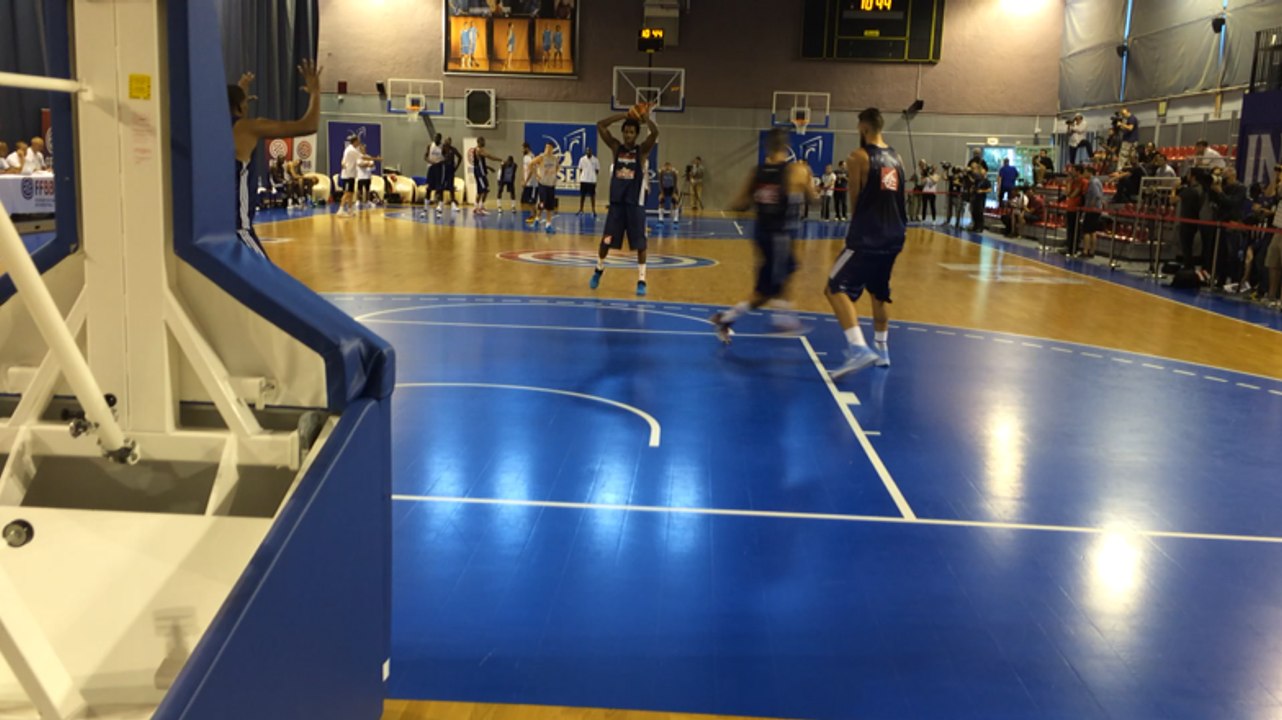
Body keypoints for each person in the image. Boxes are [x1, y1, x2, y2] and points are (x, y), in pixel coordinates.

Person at [710, 128, 818, 343]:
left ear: (768, 146)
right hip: (779, 234)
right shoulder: (796, 171)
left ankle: (725, 319)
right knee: (786, 270)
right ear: (787, 146)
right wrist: (810, 181)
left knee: (762, 293)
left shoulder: (756, 172)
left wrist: (752, 201)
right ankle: (783, 318)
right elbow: (814, 201)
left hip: (761, 234)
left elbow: (739, 203)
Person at [824, 108, 907, 378]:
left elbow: (855, 200)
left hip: (868, 234)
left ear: (864, 127)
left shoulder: (858, 157)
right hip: (895, 235)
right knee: (878, 291)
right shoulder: (897, 158)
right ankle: (882, 350)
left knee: (834, 287)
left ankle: (858, 348)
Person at [228, 61, 322, 256]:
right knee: (266, 281)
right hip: (238, 228)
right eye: (245, 104)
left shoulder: (209, 127)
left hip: (212, 227)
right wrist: (315, 92)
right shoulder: (248, 128)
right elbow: (309, 125)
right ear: (241, 106)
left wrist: (240, 90)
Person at [590, 106, 659, 296]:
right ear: (623, 132)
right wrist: (624, 115)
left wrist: (645, 118)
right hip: (617, 205)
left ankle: (642, 280)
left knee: (640, 244)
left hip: (634, 205)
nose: (628, 135)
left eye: (631, 132)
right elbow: (600, 125)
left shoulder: (642, 150)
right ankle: (599, 269)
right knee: (606, 241)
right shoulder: (616, 148)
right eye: (626, 131)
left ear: (636, 134)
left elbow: (655, 133)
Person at [525, 140, 560, 232]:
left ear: (552, 149)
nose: (547, 149)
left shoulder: (555, 159)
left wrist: (554, 174)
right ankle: (537, 219)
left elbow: (557, 167)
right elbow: (530, 164)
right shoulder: (541, 157)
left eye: (549, 148)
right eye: (546, 147)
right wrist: (536, 174)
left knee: (550, 206)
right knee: (542, 203)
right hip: (543, 184)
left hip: (551, 184)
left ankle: (548, 225)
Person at [469, 137, 501, 215]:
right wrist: (499, 159)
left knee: (486, 190)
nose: (484, 143)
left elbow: (481, 163)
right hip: (479, 173)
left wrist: (489, 168)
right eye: (482, 141)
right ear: (478, 142)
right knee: (482, 191)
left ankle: (480, 206)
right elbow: (489, 156)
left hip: (482, 172)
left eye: (484, 141)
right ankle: (478, 208)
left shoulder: (480, 150)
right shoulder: (478, 150)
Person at [1079, 166, 1105, 258]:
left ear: (1090, 172)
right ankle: (1092, 251)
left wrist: (1090, 207)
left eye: (1085, 172)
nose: (1084, 174)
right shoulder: (1097, 181)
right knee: (1093, 231)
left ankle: (1086, 251)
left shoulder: (1093, 182)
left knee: (1086, 230)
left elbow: (1096, 195)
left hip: (1092, 209)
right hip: (1097, 209)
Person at [434, 137, 463, 217]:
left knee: (451, 187)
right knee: (441, 187)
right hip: (443, 169)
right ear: (445, 141)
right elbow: (437, 157)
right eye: (447, 141)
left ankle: (453, 205)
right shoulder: (442, 149)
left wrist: (456, 167)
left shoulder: (453, 149)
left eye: (449, 141)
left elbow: (460, 157)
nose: (448, 142)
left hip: (450, 169)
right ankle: (440, 204)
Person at [336, 134, 362, 217]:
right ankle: (340, 210)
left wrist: (343, 163)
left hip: (351, 175)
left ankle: (350, 210)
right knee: (347, 193)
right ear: (355, 141)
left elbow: (343, 161)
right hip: (347, 175)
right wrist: (376, 159)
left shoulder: (350, 150)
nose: (359, 142)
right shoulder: (351, 150)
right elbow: (363, 157)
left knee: (351, 193)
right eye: (358, 140)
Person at [424, 133, 445, 216]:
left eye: (437, 138)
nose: (435, 139)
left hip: (439, 168)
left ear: (440, 139)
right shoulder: (430, 146)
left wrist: (441, 162)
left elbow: (447, 157)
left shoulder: (443, 147)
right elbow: (425, 156)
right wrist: (429, 161)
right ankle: (426, 208)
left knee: (439, 189)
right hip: (431, 167)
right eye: (434, 137)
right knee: (429, 188)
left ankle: (440, 207)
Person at [356, 142, 381, 211]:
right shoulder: (358, 157)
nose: (363, 150)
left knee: (367, 190)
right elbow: (360, 164)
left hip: (367, 177)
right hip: (360, 177)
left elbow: (372, 165)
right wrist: (367, 164)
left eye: (364, 148)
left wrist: (366, 164)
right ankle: (358, 201)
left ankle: (367, 202)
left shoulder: (369, 157)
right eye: (362, 148)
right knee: (359, 190)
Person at [577, 146, 599, 215]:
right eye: (587, 151)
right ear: (585, 152)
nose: (588, 152)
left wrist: (592, 176)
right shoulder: (582, 159)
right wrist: (583, 176)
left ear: (591, 152)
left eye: (589, 151)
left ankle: (593, 210)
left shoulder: (595, 160)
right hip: (584, 180)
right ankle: (581, 209)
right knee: (582, 196)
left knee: (592, 196)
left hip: (592, 181)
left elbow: (597, 170)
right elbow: (580, 169)